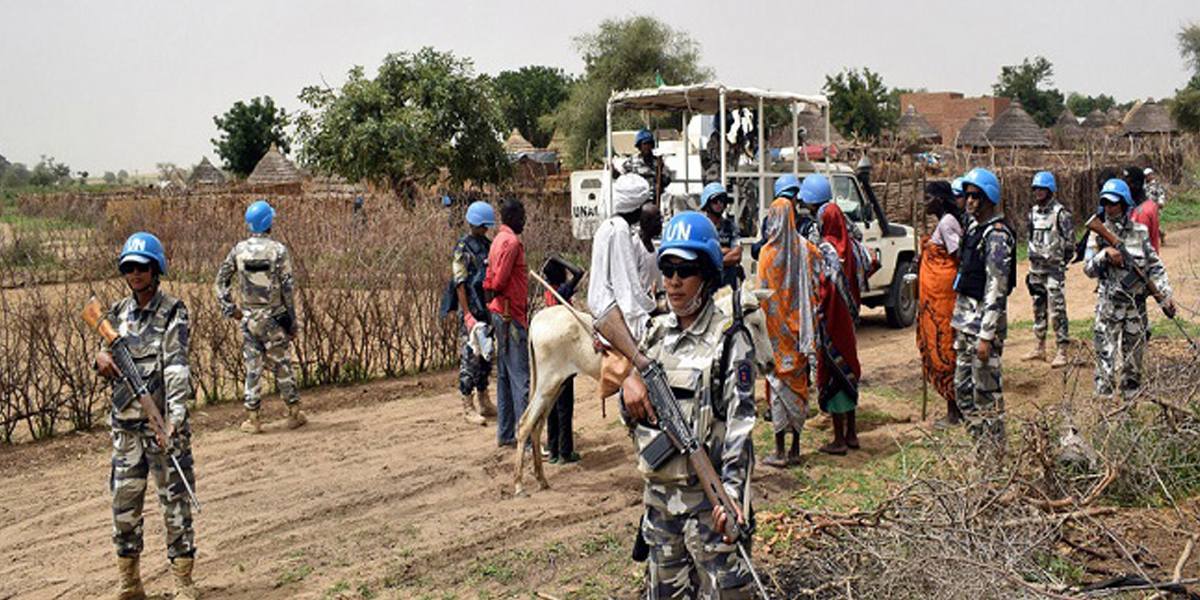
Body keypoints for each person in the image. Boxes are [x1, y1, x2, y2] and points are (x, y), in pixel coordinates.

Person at [620, 211, 757, 598]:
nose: (674, 281)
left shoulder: (730, 340)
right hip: (661, 509)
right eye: (667, 268)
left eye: (687, 269)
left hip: (708, 510)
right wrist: (628, 387)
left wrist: (730, 497)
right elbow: (632, 415)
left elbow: (739, 426)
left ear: (709, 275)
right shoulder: (655, 333)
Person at [96, 232, 198, 599]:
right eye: (129, 268)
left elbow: (176, 368)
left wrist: (172, 421)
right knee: (124, 507)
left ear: (156, 269)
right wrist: (101, 361)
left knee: (175, 507)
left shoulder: (173, 311)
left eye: (142, 267)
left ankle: (183, 582)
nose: (135, 273)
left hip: (162, 429)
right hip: (125, 430)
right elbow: (101, 354)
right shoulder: (116, 313)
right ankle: (130, 582)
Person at [215, 200, 305, 434]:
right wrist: (292, 322)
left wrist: (230, 308)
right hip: (274, 318)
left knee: (253, 367)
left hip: (248, 319)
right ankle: (293, 413)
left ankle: (253, 418)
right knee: (283, 364)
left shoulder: (238, 250)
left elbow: (220, 281)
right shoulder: (279, 251)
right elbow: (287, 288)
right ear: (268, 223)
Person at [1084, 178, 1174, 399]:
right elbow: (1088, 269)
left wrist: (1165, 295)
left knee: (1133, 366)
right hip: (1109, 309)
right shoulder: (1097, 232)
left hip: (1135, 309)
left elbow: (1155, 266)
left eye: (1113, 203)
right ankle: (1103, 414)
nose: (1109, 207)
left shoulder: (1140, 232)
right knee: (1105, 366)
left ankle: (1128, 412)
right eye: (1105, 203)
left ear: (1124, 204)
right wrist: (1104, 256)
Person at [951, 168, 1016, 460]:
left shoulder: (997, 237)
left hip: (982, 329)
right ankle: (982, 449)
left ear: (989, 198)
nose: (970, 201)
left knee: (986, 395)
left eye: (976, 196)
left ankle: (995, 456)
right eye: (967, 196)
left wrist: (986, 336)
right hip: (965, 323)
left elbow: (996, 288)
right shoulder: (974, 230)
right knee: (962, 390)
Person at [757, 176, 820, 467]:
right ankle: (795, 449)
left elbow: (760, 297)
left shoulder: (766, 256)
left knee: (778, 393)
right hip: (798, 333)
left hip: (775, 337)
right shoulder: (804, 248)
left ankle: (780, 451)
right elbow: (823, 267)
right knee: (798, 390)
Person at [589, 175, 660, 402]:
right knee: (648, 361)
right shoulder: (620, 230)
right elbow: (625, 285)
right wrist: (650, 307)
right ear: (638, 208)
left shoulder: (607, 226)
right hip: (608, 309)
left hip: (600, 302)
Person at [806, 174, 863, 455]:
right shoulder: (849, 246)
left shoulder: (826, 248)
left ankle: (839, 439)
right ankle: (852, 433)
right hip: (849, 321)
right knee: (849, 369)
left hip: (831, 321)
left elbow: (824, 288)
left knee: (833, 374)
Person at [917, 181, 965, 429]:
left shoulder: (947, 223)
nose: (924, 202)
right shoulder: (944, 222)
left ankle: (954, 411)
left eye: (928, 197)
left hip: (942, 300)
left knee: (945, 348)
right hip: (936, 299)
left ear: (940, 199)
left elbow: (956, 256)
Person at [483, 198, 530, 448]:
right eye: (522, 216)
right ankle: (525, 438)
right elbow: (499, 280)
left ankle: (506, 434)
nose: (525, 221)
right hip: (511, 316)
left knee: (504, 376)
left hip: (500, 313)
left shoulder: (499, 240)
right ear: (513, 218)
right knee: (521, 379)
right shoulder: (511, 242)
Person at [449, 201, 497, 425]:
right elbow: (460, 283)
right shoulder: (463, 248)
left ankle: (484, 398)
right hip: (471, 310)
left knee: (486, 356)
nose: (485, 230)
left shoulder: (487, 245)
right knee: (470, 357)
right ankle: (467, 404)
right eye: (482, 226)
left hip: (486, 309)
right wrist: (467, 314)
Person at [1023, 171, 1073, 368]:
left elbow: (1070, 243)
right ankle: (1039, 346)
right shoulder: (1033, 213)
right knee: (1038, 307)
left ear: (1050, 190)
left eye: (1042, 189)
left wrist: (1060, 262)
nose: (1038, 192)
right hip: (1036, 269)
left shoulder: (1061, 214)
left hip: (1053, 269)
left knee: (1057, 309)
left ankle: (1062, 349)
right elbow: (1029, 236)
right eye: (1036, 189)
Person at [542, 255, 585, 464]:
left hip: (550, 353)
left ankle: (553, 450)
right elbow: (579, 272)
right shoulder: (559, 292)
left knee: (551, 402)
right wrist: (560, 259)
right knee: (564, 404)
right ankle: (565, 452)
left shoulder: (547, 290)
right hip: (563, 353)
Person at [699, 182, 745, 289]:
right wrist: (726, 250)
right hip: (706, 285)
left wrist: (715, 260)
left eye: (722, 201)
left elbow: (736, 254)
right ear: (706, 203)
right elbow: (701, 257)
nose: (719, 204)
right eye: (715, 201)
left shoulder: (731, 226)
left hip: (728, 285)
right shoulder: (701, 227)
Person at [618, 129, 673, 202]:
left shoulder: (658, 162)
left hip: (654, 199)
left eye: (649, 144)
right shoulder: (631, 162)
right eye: (644, 144)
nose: (647, 147)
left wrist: (660, 179)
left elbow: (667, 179)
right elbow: (622, 178)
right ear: (639, 146)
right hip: (637, 200)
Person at [1127, 166, 1162, 253]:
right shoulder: (1145, 187)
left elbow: (1161, 194)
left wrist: (1160, 202)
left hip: (1153, 206)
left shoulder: (1156, 185)